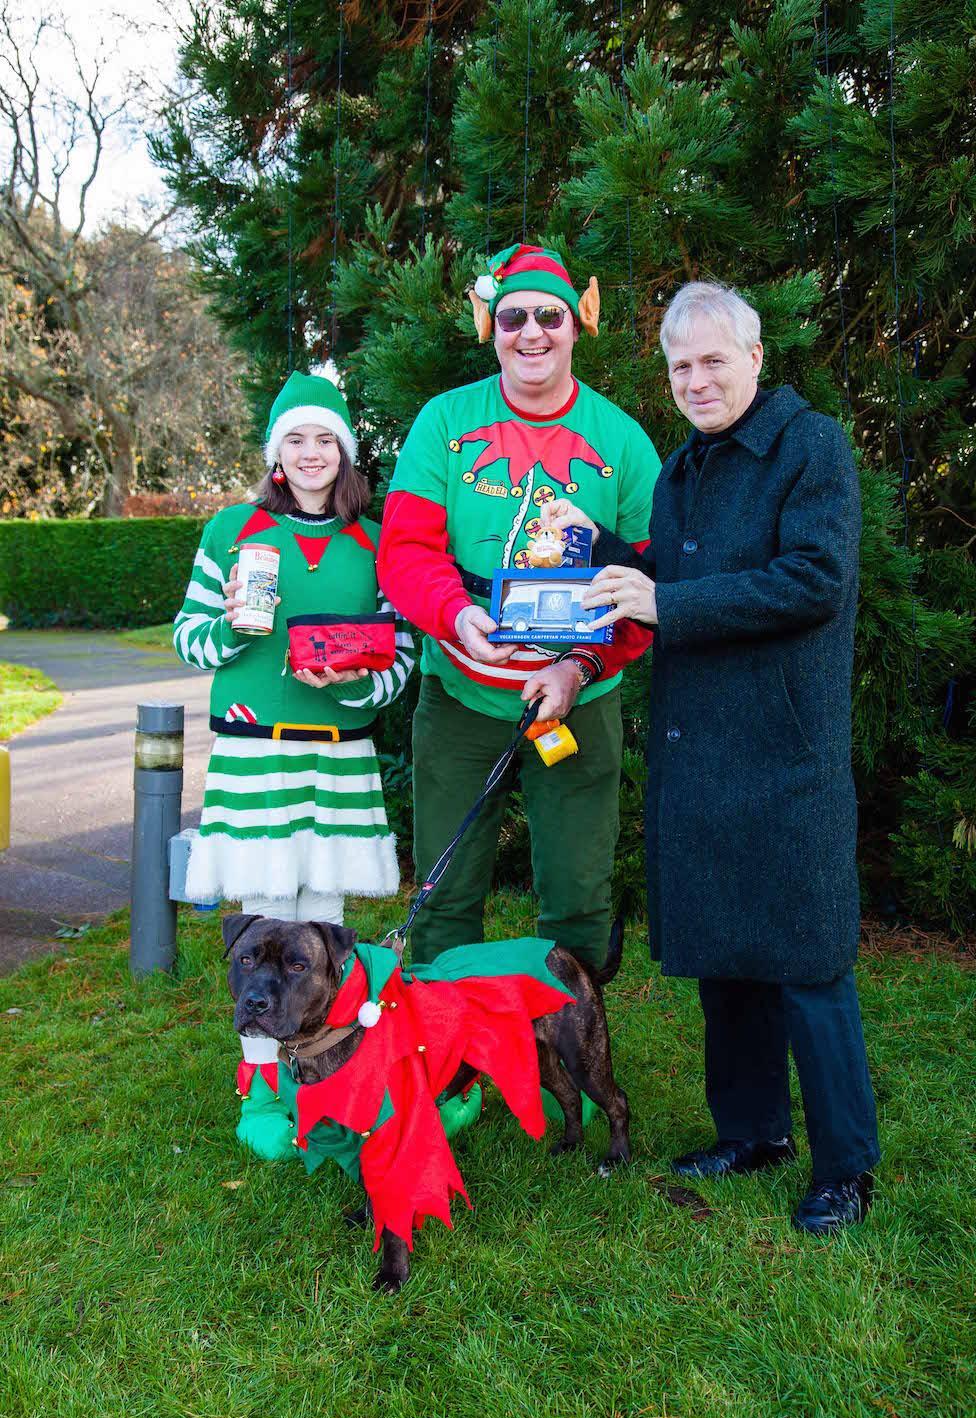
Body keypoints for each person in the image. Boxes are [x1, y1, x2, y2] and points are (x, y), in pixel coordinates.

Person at [544, 281, 880, 1235]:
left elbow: (812, 580)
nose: (696, 380)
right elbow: (676, 582)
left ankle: (847, 1166)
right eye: (680, 365)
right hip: (705, 759)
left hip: (784, 758)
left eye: (713, 361)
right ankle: (753, 1131)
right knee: (730, 960)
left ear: (756, 357)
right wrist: (595, 546)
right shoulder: (685, 468)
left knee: (810, 969)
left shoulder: (810, 448)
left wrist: (668, 606)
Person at [376, 243, 661, 968]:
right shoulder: (445, 422)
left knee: (578, 897)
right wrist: (456, 617)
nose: (530, 332)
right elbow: (405, 552)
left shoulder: (623, 441)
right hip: (463, 693)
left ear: (576, 325)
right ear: (489, 325)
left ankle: (573, 1064)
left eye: (548, 316)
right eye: (512, 318)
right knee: (443, 896)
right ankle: (448, 1071)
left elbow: (651, 586)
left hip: (580, 697)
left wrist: (579, 665)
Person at [174, 368, 415, 1139]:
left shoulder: (374, 544)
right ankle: (262, 1095)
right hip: (253, 756)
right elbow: (186, 635)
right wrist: (235, 632)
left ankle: (324, 1081)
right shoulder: (231, 531)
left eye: (326, 440)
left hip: (338, 756)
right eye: (296, 440)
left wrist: (349, 684)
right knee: (262, 931)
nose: (311, 454)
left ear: (345, 455)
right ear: (276, 452)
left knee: (324, 927)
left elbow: (400, 656)